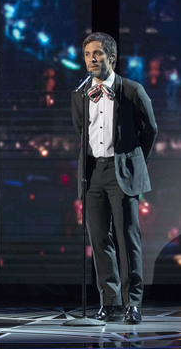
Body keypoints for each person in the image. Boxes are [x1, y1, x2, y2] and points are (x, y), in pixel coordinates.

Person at [71, 32, 158, 324]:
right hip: (93, 173)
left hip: (122, 172)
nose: (92, 60)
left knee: (127, 239)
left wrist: (134, 162)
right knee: (99, 240)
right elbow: (81, 132)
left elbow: (151, 129)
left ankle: (133, 302)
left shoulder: (132, 90)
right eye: (87, 55)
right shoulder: (80, 94)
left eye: (97, 54)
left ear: (112, 57)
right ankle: (110, 302)